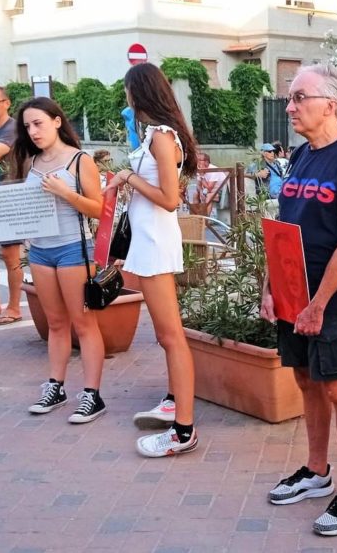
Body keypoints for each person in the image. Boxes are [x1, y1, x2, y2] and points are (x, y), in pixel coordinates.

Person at [260, 63, 337, 536]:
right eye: (290, 98)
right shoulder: (303, 155)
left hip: (328, 298)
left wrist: (319, 303)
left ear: (329, 104)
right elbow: (285, 228)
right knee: (306, 380)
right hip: (291, 291)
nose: (290, 106)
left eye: (298, 97)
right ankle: (315, 470)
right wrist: (271, 287)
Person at [104, 62, 199, 458]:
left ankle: (184, 431)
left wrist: (128, 178)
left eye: (128, 91)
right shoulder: (154, 135)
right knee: (166, 334)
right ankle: (173, 400)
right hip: (148, 242)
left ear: (137, 93)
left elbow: (170, 199)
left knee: (170, 335)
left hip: (157, 242)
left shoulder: (162, 136)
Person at [11, 97, 106, 423]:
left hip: (72, 248)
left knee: (83, 323)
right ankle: (56, 385)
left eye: (38, 123)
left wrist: (66, 193)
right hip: (40, 249)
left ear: (56, 121)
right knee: (55, 322)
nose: (33, 131)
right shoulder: (30, 162)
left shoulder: (80, 161)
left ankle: (92, 395)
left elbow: (99, 210)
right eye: (27, 126)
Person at [0, 86, 24, 326]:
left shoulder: (12, 127)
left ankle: (15, 306)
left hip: (9, 196)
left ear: (6, 103)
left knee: (10, 254)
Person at [193, 152, 226, 217]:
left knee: (209, 196)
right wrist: (201, 192)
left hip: (221, 192)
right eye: (197, 160)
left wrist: (202, 176)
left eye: (199, 160)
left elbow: (209, 188)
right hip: (209, 191)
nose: (197, 162)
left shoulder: (213, 170)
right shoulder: (200, 169)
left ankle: (206, 220)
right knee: (195, 194)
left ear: (206, 162)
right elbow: (199, 185)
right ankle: (196, 217)